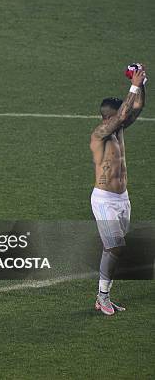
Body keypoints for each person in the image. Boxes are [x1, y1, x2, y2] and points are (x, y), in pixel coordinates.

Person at [89, 67, 146, 315]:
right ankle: (102, 297)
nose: (124, 112)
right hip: (104, 200)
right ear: (108, 117)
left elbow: (137, 108)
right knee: (115, 247)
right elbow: (124, 113)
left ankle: (104, 297)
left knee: (114, 248)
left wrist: (141, 82)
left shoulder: (118, 128)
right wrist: (132, 86)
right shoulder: (100, 133)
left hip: (122, 199)